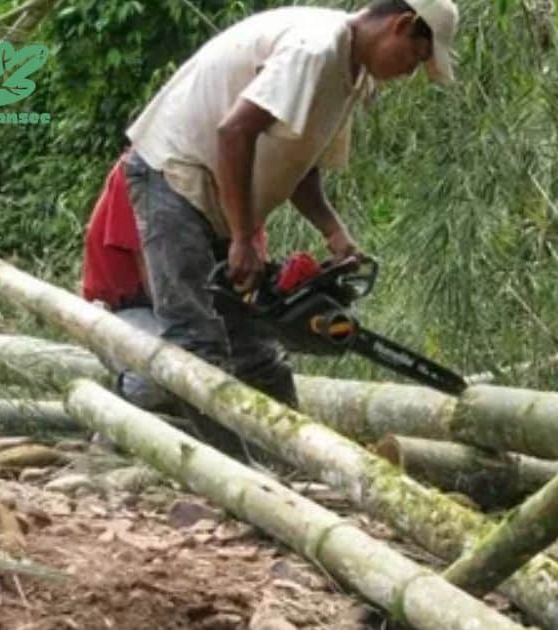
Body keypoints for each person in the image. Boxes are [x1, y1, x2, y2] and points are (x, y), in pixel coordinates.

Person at [81, 0, 458, 457]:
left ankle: (287, 461)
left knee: (255, 348)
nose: (409, 73)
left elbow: (302, 162)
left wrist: (333, 233)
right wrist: (242, 238)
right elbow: (234, 132)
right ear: (400, 26)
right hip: (174, 175)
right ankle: (231, 474)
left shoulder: (350, 74)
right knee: (196, 343)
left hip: (221, 195)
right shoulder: (315, 49)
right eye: (414, 58)